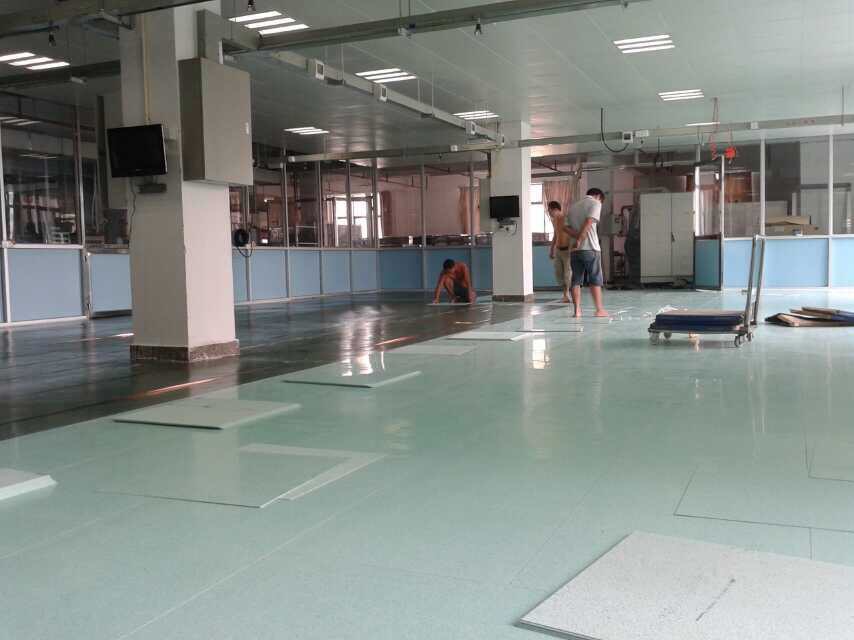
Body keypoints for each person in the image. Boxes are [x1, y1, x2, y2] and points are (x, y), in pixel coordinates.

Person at [565, 188, 608, 318]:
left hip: (575, 250)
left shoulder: (573, 207)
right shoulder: (595, 203)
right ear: (598, 196)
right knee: (595, 279)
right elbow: (589, 222)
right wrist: (580, 239)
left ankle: (577, 310)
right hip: (590, 248)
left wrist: (577, 237)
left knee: (576, 280)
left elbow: (565, 227)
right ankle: (599, 310)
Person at [547, 201, 572, 303]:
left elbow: (571, 233)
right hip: (558, 250)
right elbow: (555, 234)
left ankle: (567, 294)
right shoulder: (554, 220)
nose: (548, 212)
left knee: (567, 274)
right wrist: (551, 249)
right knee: (559, 273)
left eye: (549, 210)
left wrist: (572, 247)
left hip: (567, 250)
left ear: (554, 209)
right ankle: (565, 294)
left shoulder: (566, 218)